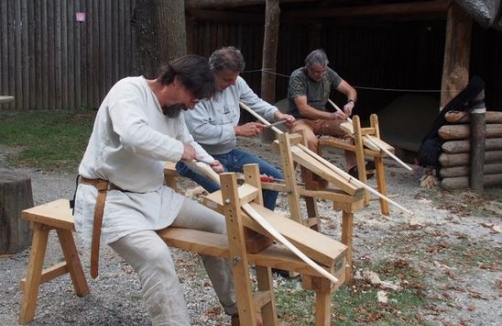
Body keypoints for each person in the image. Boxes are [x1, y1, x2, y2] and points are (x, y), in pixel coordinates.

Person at [73, 54, 245, 325]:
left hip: (153, 195)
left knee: (221, 227)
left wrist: (208, 161)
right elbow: (133, 135)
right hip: (111, 199)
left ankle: (237, 308)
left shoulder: (174, 111)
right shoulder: (129, 91)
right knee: (156, 258)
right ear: (176, 80)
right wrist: (181, 151)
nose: (192, 106)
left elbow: (186, 142)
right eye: (193, 97)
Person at [176, 46, 295, 211]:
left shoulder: (235, 82)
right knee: (231, 197)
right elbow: (199, 131)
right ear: (212, 71)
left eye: (235, 78)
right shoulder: (198, 89)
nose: (232, 83)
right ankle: (242, 230)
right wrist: (237, 130)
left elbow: (254, 101)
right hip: (198, 158)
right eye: (226, 79)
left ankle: (262, 231)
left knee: (275, 179)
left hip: (229, 152)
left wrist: (277, 114)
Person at [287, 49, 371, 187]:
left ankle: (353, 167)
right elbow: (304, 109)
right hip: (300, 120)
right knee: (309, 140)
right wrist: (331, 115)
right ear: (307, 67)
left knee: (350, 129)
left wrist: (350, 102)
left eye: (322, 71)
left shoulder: (327, 73)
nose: (320, 75)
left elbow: (350, 90)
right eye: (316, 72)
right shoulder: (297, 76)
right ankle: (316, 178)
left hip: (322, 119)